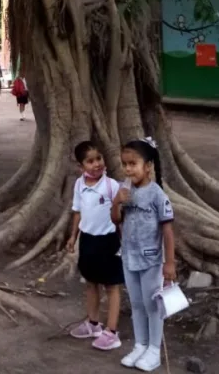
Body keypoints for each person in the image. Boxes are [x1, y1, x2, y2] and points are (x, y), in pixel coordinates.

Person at [111, 138, 176, 372]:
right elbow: (116, 220)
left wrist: (169, 263)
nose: (128, 169)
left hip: (151, 259)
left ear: (147, 165)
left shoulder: (157, 195)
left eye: (133, 164)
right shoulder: (125, 189)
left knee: (152, 305)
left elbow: (168, 231)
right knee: (137, 304)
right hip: (129, 256)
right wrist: (117, 202)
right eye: (124, 164)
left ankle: (154, 350)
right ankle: (140, 345)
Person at [66, 140, 124, 351]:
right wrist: (73, 236)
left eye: (98, 159)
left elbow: (120, 217)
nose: (96, 164)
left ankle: (112, 331)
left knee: (112, 286)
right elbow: (77, 212)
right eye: (90, 161)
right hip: (88, 241)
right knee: (91, 282)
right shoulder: (79, 185)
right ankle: (93, 324)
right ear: (81, 166)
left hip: (108, 241)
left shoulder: (112, 186)